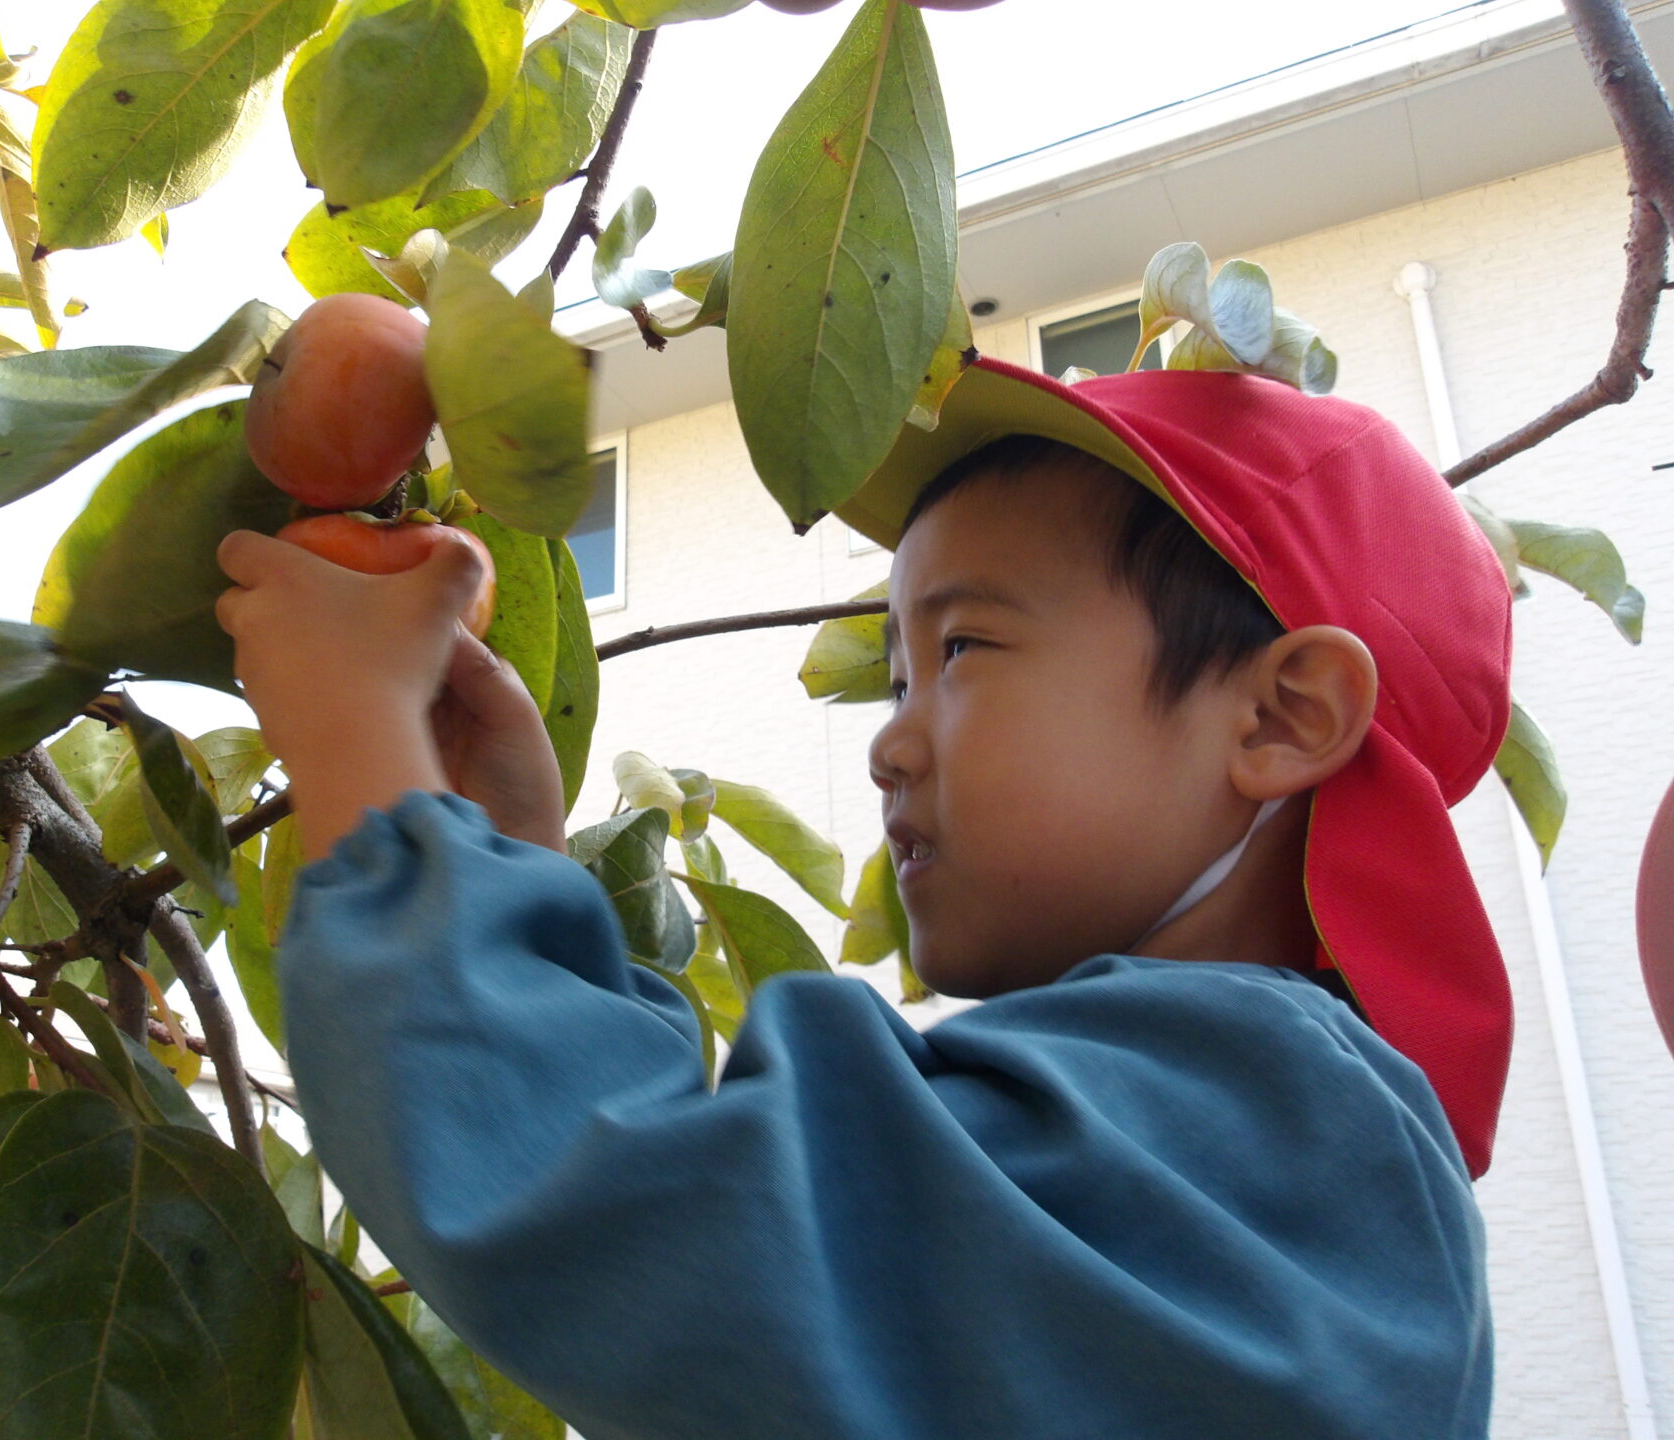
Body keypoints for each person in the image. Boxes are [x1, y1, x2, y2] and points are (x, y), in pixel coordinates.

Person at [215, 356, 1513, 1439]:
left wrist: (359, 746)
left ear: (1284, 716)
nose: (891, 741)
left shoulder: (1259, 1117)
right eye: (895, 675)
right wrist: (509, 857)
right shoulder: (1264, 1150)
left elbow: (651, 1230)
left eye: (963, 649)